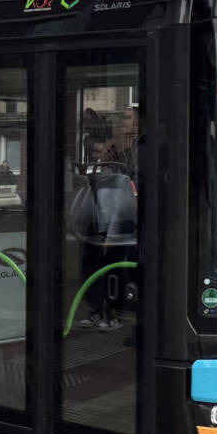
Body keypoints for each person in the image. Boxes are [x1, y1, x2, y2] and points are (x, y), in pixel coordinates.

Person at [78, 142, 123, 332]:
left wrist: (112, 235)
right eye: (93, 151)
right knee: (90, 271)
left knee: (108, 273)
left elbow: (118, 209)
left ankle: (112, 314)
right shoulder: (91, 176)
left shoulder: (116, 178)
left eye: (99, 151)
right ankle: (94, 311)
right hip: (92, 230)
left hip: (106, 232)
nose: (96, 155)